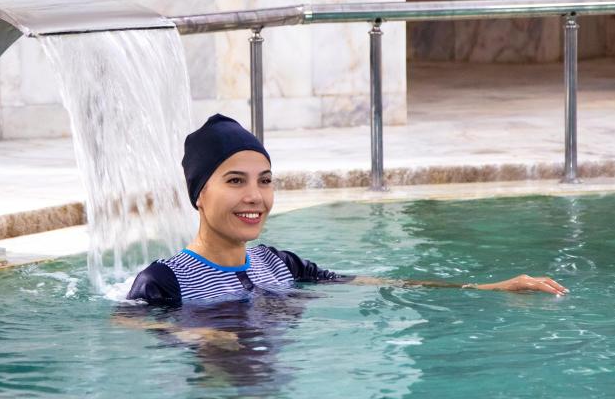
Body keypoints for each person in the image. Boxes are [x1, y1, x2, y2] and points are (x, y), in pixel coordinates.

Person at [127, 114, 569, 306]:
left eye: (265, 180)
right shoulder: (164, 281)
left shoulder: (278, 264)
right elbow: (133, 325)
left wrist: (486, 288)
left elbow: (365, 282)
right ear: (199, 194)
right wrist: (192, 332)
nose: (255, 196)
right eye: (235, 181)